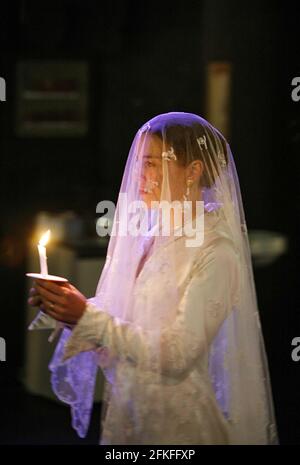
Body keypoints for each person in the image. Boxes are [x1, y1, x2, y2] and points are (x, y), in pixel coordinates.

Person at [28, 112, 278, 445]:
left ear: (192, 171)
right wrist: (68, 309)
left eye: (151, 164)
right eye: (139, 164)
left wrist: (86, 317)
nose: (139, 175)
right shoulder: (152, 233)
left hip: (179, 429)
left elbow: (177, 355)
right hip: (129, 413)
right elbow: (128, 323)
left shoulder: (217, 251)